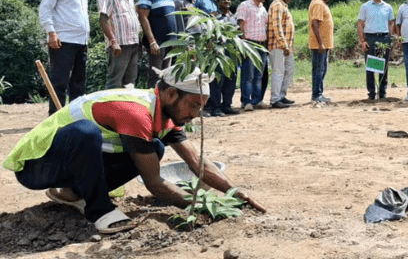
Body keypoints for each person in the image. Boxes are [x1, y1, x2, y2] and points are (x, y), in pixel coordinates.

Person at [2, 66, 266, 234]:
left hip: (64, 166)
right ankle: (100, 211)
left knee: (156, 148)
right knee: (86, 132)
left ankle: (71, 194)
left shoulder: (167, 114)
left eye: (201, 107)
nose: (196, 114)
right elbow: (154, 183)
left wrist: (233, 192)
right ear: (171, 93)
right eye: (194, 105)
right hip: (36, 167)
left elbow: (195, 161)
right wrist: (207, 205)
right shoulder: (136, 112)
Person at [39, 0, 91, 115]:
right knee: (60, 81)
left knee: (78, 83)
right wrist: (51, 32)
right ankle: (55, 115)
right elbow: (45, 9)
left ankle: (75, 115)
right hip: (63, 40)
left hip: (81, 41)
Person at [98, 0, 141, 89]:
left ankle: (125, 107)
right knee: (115, 80)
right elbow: (103, 18)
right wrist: (113, 41)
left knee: (130, 81)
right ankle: (110, 107)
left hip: (132, 43)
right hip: (119, 44)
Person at [137, 0, 176, 88]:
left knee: (167, 75)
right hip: (157, 43)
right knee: (155, 75)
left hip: (170, 43)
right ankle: (153, 103)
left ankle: (163, 105)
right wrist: (152, 41)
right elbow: (143, 18)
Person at [358, 0, 395, 100]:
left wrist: (391, 38)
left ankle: (383, 93)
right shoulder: (366, 6)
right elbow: (360, 24)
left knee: (383, 66)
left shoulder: (387, 7)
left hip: (384, 38)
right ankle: (372, 93)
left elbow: (391, 23)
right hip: (371, 38)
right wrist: (362, 40)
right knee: (371, 67)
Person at [236, 0, 269, 111]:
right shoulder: (245, 6)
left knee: (259, 75)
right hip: (249, 44)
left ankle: (257, 100)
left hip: (261, 45)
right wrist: (243, 45)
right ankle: (246, 101)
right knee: (247, 74)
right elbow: (241, 25)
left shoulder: (262, 8)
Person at [205, 0, 239, 117]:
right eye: (224, 0)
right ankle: (215, 107)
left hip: (232, 52)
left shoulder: (233, 16)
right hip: (218, 52)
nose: (227, 2)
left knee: (231, 80)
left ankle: (227, 105)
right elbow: (209, 33)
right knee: (218, 81)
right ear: (217, 2)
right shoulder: (214, 16)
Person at [268, 0, 296, 109]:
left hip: (286, 46)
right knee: (278, 72)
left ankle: (281, 96)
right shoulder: (278, 5)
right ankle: (275, 99)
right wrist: (284, 45)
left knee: (288, 71)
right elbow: (277, 26)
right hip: (278, 46)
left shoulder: (284, 6)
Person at [309, 0, 334, 103]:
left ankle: (319, 93)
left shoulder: (321, 3)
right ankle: (316, 95)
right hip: (320, 45)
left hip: (324, 44)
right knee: (319, 70)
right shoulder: (318, 4)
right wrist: (321, 44)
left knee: (322, 69)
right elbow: (315, 24)